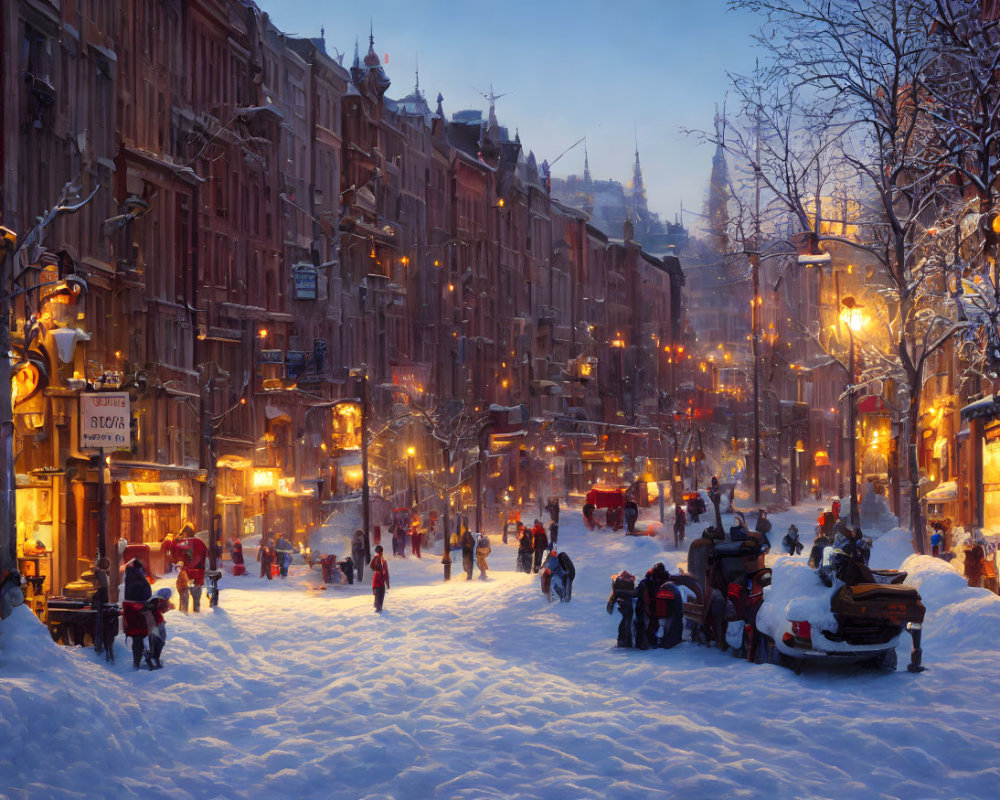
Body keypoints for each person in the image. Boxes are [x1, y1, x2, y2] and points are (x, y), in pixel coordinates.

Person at [122, 558, 153, 669]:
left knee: (136, 635)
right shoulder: (140, 576)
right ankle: (144, 657)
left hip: (130, 608)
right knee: (142, 634)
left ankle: (136, 661)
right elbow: (147, 594)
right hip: (141, 608)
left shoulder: (128, 576)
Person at [370, 545, 390, 613]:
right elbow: (386, 573)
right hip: (381, 578)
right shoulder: (383, 560)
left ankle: (377, 606)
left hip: (376, 578)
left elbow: (371, 567)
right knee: (381, 593)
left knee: (377, 593)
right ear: (382, 551)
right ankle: (379, 607)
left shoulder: (375, 559)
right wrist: (387, 583)